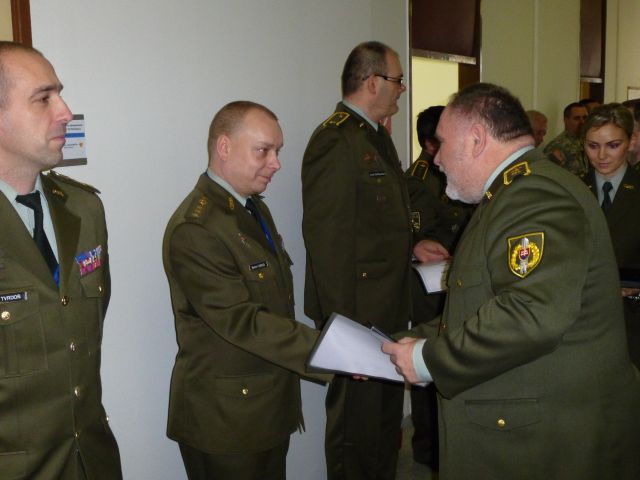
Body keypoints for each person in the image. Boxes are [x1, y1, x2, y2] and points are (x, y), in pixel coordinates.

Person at [383, 83, 640, 480]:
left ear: (476, 139)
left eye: (442, 143)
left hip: (547, 435)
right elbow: (484, 303)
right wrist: (401, 344)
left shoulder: (533, 195)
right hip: (533, 417)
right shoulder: (514, 192)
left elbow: (529, 315)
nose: (437, 159)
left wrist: (427, 359)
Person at [163, 101, 329, 480]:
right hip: (225, 421)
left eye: (277, 151)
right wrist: (332, 352)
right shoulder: (197, 228)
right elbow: (243, 320)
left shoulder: (250, 208)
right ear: (224, 147)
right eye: (263, 151)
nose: (276, 163)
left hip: (264, 405)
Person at [0, 42, 122, 479]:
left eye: (60, 94)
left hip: (92, 460)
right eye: (44, 98)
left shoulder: (84, 209)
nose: (66, 112)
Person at [301, 41, 413, 480]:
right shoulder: (336, 140)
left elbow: (378, 224)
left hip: (385, 313)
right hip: (357, 319)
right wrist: (344, 336)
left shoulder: (373, 136)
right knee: (355, 435)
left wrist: (416, 244)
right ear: (372, 82)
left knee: (383, 430)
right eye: (397, 79)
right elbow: (327, 242)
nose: (402, 88)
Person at [404, 105, 472, 471]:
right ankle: (428, 447)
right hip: (431, 288)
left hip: (460, 278)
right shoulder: (417, 181)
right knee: (428, 362)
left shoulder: (464, 173)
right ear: (432, 145)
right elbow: (419, 233)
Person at [582, 103, 640, 369]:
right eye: (593, 146)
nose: (602, 156)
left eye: (613, 145)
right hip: (581, 319)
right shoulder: (569, 189)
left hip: (632, 320)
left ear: (631, 142)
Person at [544, 102, 589, 175]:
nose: (582, 122)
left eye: (585, 117)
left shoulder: (587, 142)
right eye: (577, 118)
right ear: (565, 120)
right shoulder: (557, 145)